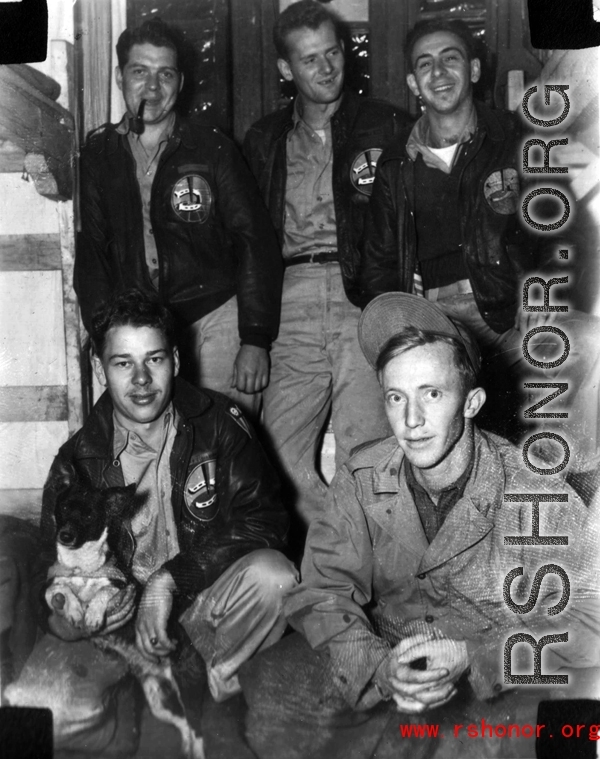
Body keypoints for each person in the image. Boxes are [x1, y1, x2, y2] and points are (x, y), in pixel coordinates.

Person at [240, 293, 600, 759]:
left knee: (563, 727)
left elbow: (589, 617)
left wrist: (476, 656)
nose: (411, 421)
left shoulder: (533, 489)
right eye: (396, 397)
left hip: (494, 677)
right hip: (390, 650)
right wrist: (378, 669)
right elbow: (323, 591)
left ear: (471, 403)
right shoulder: (364, 474)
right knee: (271, 696)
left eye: (432, 394)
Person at [8, 290, 297, 754]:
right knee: (37, 721)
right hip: (111, 625)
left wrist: (169, 581)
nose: (141, 379)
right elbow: (48, 558)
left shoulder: (220, 424)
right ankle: (129, 695)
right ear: (101, 371)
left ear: (176, 361)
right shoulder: (77, 459)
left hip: (202, 607)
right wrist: (70, 615)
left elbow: (265, 522)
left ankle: (216, 686)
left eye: (154, 359)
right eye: (123, 363)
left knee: (275, 576)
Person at [359, 18, 600, 458]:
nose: (438, 72)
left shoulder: (517, 138)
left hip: (508, 312)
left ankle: (561, 488)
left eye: (450, 58)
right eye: (425, 64)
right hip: (434, 323)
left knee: (588, 342)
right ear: (414, 82)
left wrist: (540, 293)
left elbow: (569, 232)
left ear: (472, 70)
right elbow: (373, 267)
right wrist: (402, 309)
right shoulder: (395, 165)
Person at [243, 0, 410, 523]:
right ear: (286, 70)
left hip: (362, 294)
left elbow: (419, 205)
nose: (326, 68)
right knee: (275, 457)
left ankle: (362, 584)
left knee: (368, 451)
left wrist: (409, 273)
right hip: (290, 300)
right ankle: (338, 556)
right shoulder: (264, 140)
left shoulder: (386, 124)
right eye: (310, 59)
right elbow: (248, 239)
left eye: (332, 52)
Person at [75, 18, 282, 418]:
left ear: (181, 82)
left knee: (226, 447)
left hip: (214, 318)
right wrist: (106, 341)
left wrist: (254, 338)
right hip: (139, 329)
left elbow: (254, 241)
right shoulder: (97, 156)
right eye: (140, 72)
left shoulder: (213, 150)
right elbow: (92, 259)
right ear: (120, 78)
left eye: (165, 74)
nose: (152, 88)